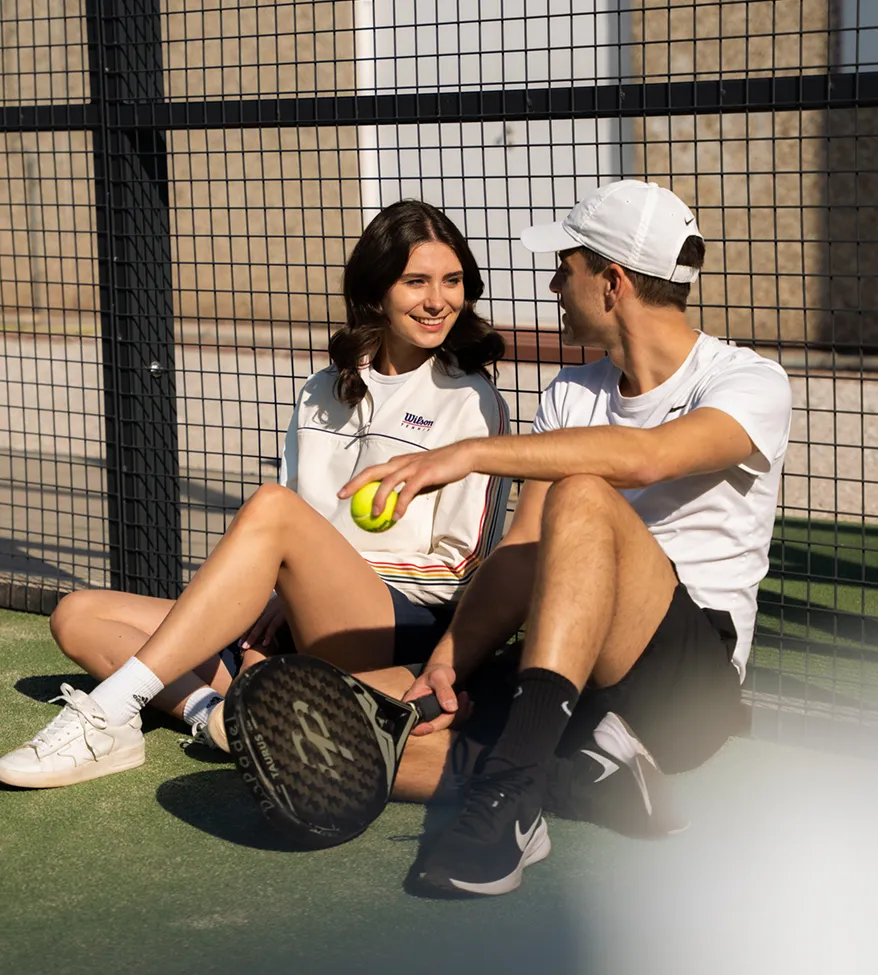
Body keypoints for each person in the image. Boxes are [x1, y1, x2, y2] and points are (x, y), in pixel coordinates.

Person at [337, 179, 793, 896]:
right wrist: (449, 660)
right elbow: (521, 551)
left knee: (583, 491)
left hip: (686, 685)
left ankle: (512, 800)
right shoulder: (571, 392)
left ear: (612, 282)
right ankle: (590, 784)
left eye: (566, 267)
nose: (553, 283)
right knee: (359, 745)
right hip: (570, 671)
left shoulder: (747, 380)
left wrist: (466, 454)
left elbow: (647, 458)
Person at [0, 199, 510, 787]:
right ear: (375, 291)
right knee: (77, 615)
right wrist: (280, 596)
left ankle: (111, 711)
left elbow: (461, 566)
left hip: (401, 624)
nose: (437, 300)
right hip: (291, 620)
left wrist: (296, 586)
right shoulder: (323, 389)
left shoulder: (472, 401)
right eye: (415, 281)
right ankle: (220, 716)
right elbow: (292, 528)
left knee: (271, 508)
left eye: (452, 282)